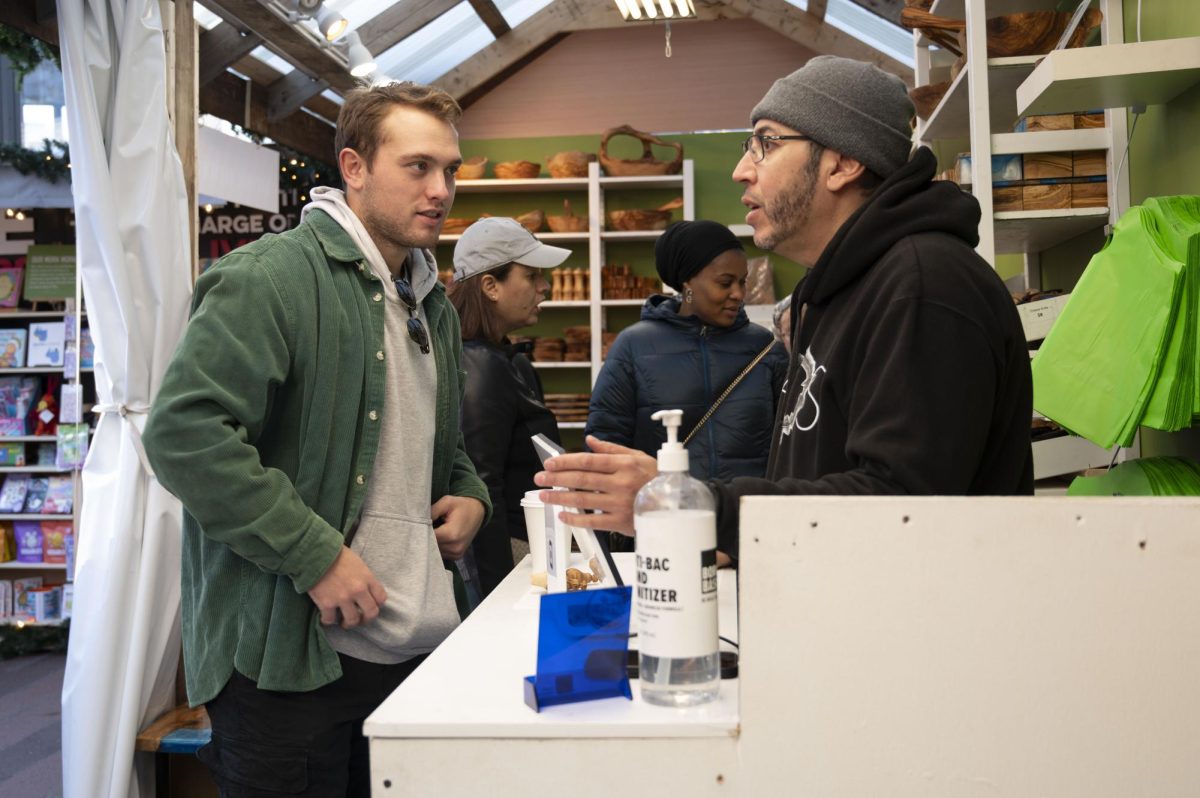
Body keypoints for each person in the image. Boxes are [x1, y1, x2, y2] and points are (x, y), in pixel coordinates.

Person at [535, 55, 1034, 561]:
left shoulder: (925, 287)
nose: (740, 171)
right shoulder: (836, 292)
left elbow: (903, 508)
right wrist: (732, 542)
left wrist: (703, 510)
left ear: (842, 162)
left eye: (766, 144)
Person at [142, 82, 490, 797]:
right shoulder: (269, 279)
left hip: (409, 650)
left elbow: (440, 447)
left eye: (451, 170)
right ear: (354, 168)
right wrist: (315, 555)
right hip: (285, 664)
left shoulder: (433, 305)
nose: (441, 189)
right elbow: (184, 434)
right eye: (418, 167)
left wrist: (472, 497)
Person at [586, 219, 787, 485]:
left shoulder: (764, 348)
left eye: (743, 281)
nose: (739, 293)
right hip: (666, 514)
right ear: (687, 284)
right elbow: (606, 444)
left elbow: (792, 440)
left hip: (749, 515)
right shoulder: (634, 347)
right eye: (725, 283)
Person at [448, 217, 571, 596]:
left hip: (529, 544)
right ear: (490, 286)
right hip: (513, 555)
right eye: (532, 277)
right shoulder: (481, 366)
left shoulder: (505, 359)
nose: (545, 287)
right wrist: (497, 594)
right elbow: (484, 488)